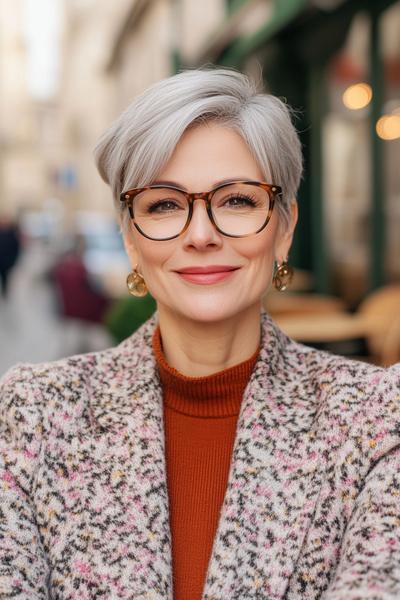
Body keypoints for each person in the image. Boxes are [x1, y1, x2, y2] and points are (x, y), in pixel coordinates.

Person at [0, 68, 399, 600]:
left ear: (284, 229)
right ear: (131, 240)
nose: (202, 234)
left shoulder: (378, 418)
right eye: (163, 204)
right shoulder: (30, 415)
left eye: (237, 200)